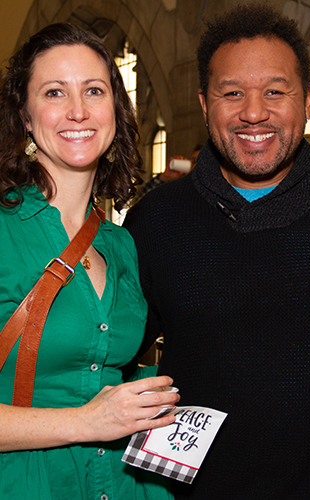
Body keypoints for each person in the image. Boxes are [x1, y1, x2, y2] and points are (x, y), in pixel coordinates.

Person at [124, 4, 310, 498]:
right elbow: (111, 354)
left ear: (309, 99)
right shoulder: (155, 221)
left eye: (275, 91)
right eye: (232, 93)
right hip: (183, 491)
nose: (254, 112)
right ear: (204, 102)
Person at [0, 23, 180, 500]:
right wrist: (87, 420)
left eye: (94, 90)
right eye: (55, 92)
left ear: (115, 112)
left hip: (126, 486)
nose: (78, 110)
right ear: (24, 115)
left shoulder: (121, 244)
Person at [138, 144, 202, 200]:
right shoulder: (180, 192)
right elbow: (141, 205)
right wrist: (164, 177)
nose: (192, 166)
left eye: (195, 162)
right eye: (192, 162)